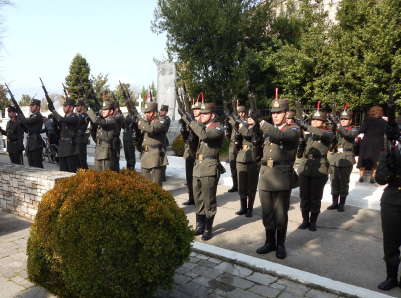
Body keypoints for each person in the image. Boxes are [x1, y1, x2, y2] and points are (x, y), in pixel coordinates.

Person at [251, 99, 300, 259]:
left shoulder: (293, 129)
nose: (275, 115)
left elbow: (280, 135)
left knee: (280, 214)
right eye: (273, 113)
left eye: (279, 112)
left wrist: (261, 121)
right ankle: (269, 242)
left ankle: (280, 245)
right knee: (267, 213)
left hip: (281, 178)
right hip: (266, 176)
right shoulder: (267, 132)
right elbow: (259, 156)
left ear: (286, 114)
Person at [181, 102, 224, 241]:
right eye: (201, 114)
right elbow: (194, 149)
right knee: (198, 198)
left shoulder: (217, 127)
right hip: (198, 166)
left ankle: (208, 228)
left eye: (204, 114)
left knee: (208, 200)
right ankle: (200, 226)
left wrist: (192, 121)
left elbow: (205, 136)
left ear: (212, 115)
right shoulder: (201, 127)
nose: (201, 116)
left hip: (210, 167)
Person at [296, 109, 334, 231]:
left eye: (318, 120)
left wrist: (307, 126)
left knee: (315, 197)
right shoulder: (307, 135)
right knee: (304, 196)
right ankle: (305, 220)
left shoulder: (328, 133)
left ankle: (313, 221)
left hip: (320, 168)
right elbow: (300, 153)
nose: (314, 122)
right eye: (313, 120)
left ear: (323, 122)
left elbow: (324, 135)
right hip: (305, 167)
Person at [376, 115, 401, 291]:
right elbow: (379, 179)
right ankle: (391, 277)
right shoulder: (389, 151)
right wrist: (387, 166)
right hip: (392, 200)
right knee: (390, 243)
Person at [327, 109, 359, 212]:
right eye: (341, 119)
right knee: (334, 180)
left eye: (346, 119)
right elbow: (330, 136)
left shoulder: (353, 129)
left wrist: (338, 125)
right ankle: (335, 202)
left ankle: (342, 203)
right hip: (335, 157)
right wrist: (333, 124)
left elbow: (349, 135)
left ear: (350, 120)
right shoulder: (337, 129)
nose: (343, 120)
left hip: (347, 157)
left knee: (344, 182)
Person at [235, 109, 261, 217]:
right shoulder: (243, 127)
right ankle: (243, 207)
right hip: (241, 156)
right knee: (241, 185)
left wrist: (240, 126)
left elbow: (250, 135)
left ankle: (250, 208)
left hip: (252, 158)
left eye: (252, 116)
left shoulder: (258, 128)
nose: (249, 118)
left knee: (251, 185)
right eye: (248, 116)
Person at [137, 102, 169, 186]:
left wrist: (140, 123)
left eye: (148, 112)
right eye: (145, 113)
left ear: (154, 113)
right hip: (145, 156)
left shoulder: (161, 122)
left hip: (155, 157)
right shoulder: (147, 124)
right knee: (145, 187)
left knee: (156, 186)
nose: (146, 115)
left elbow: (152, 129)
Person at [48, 98, 79, 173]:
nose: (63, 107)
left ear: (71, 107)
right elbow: (59, 132)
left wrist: (53, 111)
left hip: (70, 148)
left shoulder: (74, 117)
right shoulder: (65, 118)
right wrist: (55, 123)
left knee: (71, 172)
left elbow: (60, 119)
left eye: (66, 106)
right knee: (62, 171)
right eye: (63, 106)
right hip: (62, 146)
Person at [357, 106, 386, 183]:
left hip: (367, 141)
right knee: (376, 158)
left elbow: (362, 130)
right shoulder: (383, 121)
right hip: (379, 142)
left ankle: (361, 176)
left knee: (363, 157)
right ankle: (372, 177)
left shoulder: (368, 120)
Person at [87, 101, 118, 171]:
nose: (103, 111)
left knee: (106, 177)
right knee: (98, 177)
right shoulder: (103, 122)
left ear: (111, 111)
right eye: (103, 110)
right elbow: (97, 138)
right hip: (98, 151)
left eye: (105, 110)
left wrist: (89, 109)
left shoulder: (112, 121)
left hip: (106, 153)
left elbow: (97, 121)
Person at [182, 102, 202, 205]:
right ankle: (191, 197)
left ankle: (199, 198)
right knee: (189, 178)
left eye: (197, 109)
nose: (195, 111)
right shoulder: (189, 121)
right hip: (188, 152)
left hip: (197, 153)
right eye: (193, 109)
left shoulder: (201, 122)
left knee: (197, 179)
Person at [18, 99, 44, 168]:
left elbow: (25, 121)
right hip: (30, 143)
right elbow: (29, 130)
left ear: (38, 107)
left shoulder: (37, 116)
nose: (31, 107)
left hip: (35, 143)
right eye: (30, 105)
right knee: (31, 166)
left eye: (33, 105)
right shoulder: (32, 116)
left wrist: (19, 114)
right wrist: (23, 126)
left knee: (37, 165)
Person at [227, 106, 246, 192]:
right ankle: (235, 184)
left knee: (240, 167)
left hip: (240, 147)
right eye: (238, 112)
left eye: (241, 112)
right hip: (232, 146)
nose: (239, 114)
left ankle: (242, 185)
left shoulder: (245, 122)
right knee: (233, 167)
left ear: (243, 113)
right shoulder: (234, 121)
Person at [74, 100, 89, 169]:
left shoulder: (84, 115)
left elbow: (79, 121)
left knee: (82, 158)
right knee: (77, 159)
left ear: (82, 107)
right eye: (76, 106)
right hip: (77, 138)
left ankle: (85, 173)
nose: (77, 108)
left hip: (81, 138)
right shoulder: (78, 115)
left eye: (78, 106)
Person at [111, 101, 124, 172]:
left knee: (115, 161)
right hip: (112, 140)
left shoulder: (119, 116)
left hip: (115, 141)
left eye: (113, 109)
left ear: (116, 109)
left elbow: (113, 120)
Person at [159, 104, 171, 182]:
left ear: (166, 112)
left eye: (163, 110)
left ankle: (163, 175)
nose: (161, 112)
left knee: (162, 158)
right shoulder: (159, 118)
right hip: (159, 140)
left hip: (163, 141)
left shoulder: (166, 119)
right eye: (160, 110)